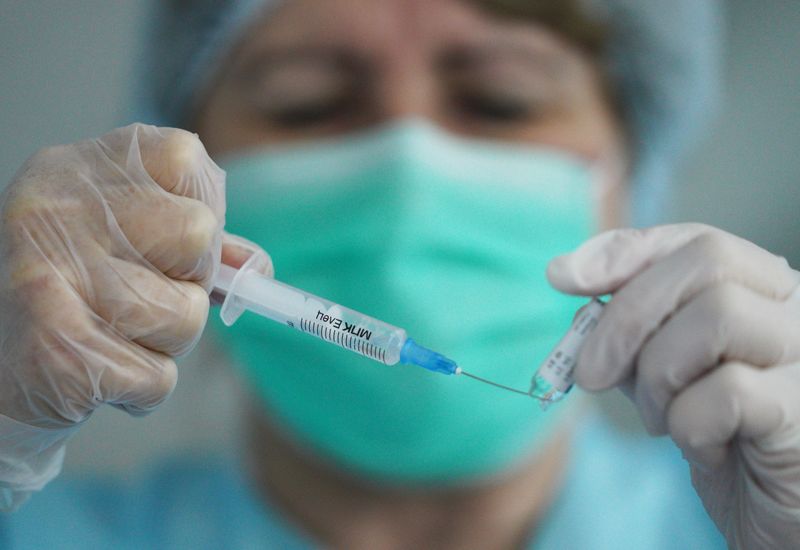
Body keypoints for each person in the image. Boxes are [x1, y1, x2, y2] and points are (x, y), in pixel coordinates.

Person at [1, 0, 799, 548]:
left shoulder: (755, 514)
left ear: (634, 171)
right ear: (186, 185)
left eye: (500, 100)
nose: (407, 165)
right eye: (305, 105)